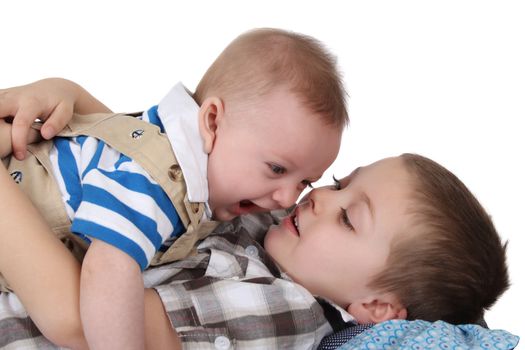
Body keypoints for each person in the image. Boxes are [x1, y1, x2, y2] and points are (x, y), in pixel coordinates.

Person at [0, 28, 347, 349]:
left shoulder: (167, 143)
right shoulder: (163, 185)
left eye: (305, 181)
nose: (288, 198)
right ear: (212, 121)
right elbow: (107, 271)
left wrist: (66, 88)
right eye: (276, 169)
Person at [0, 153, 510, 349]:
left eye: (349, 218)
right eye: (338, 184)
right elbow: (164, 167)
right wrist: (66, 95)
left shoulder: (285, 312)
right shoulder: (276, 232)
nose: (320, 198)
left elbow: (81, 321)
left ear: (375, 308)